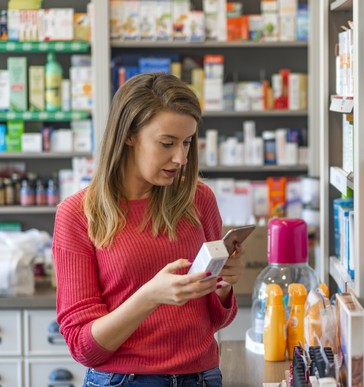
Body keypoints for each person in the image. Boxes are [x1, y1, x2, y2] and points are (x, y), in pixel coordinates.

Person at [52, 72, 242, 387]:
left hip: (204, 376)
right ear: (128, 134)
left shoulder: (199, 199)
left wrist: (222, 285)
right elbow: (83, 346)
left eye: (187, 142)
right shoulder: (77, 214)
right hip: (123, 380)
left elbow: (217, 320)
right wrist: (150, 297)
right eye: (167, 143)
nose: (181, 157)